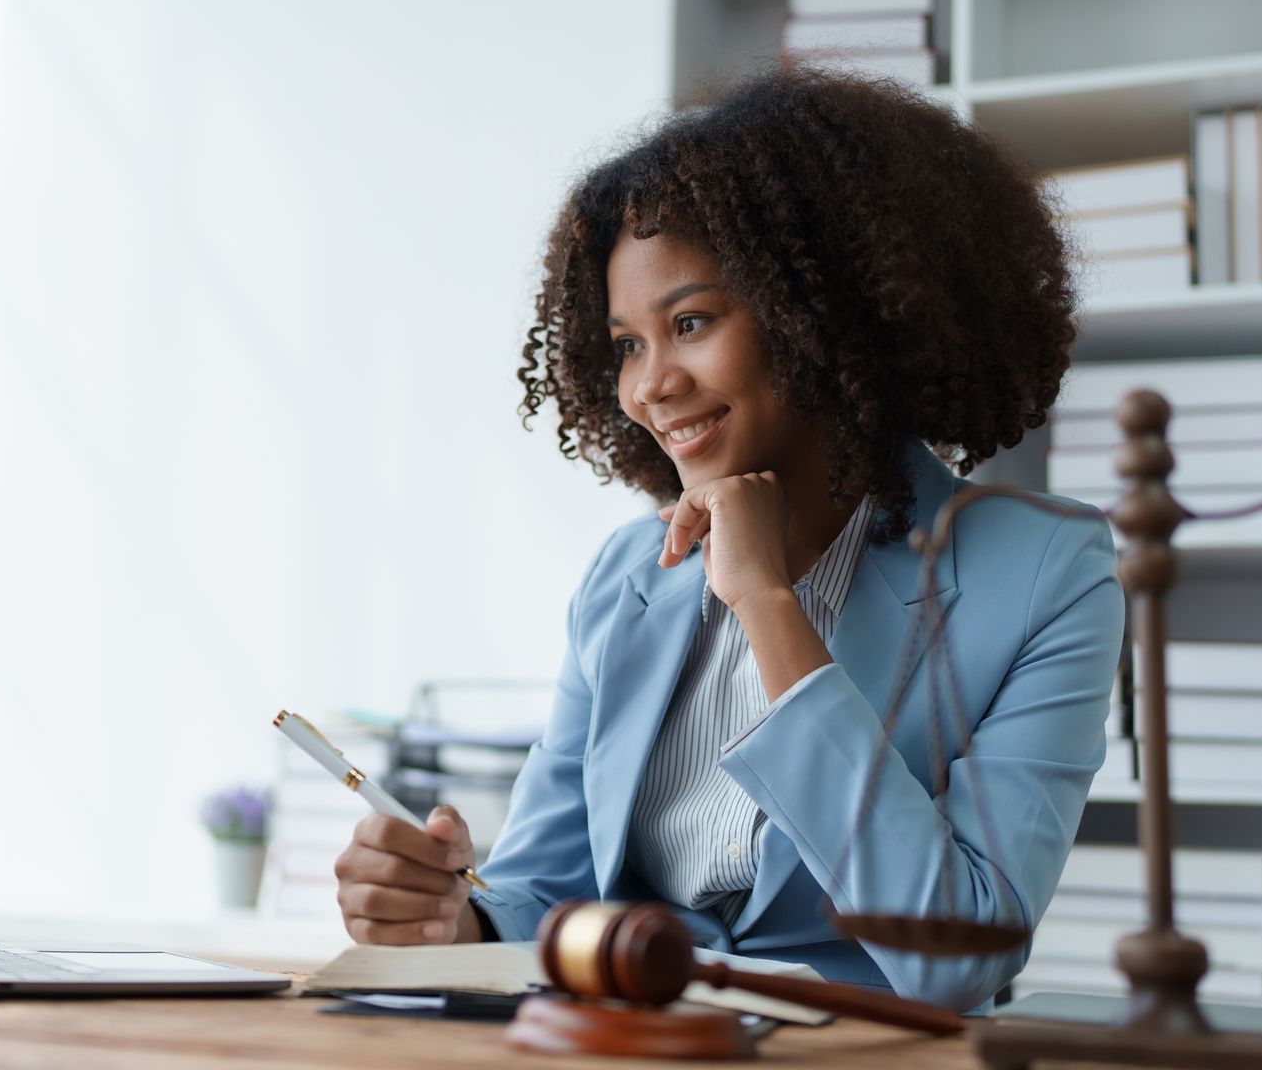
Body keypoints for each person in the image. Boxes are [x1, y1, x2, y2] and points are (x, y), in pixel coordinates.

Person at [331, 66, 1124, 1013]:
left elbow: (957, 956)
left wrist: (765, 604)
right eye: (627, 343)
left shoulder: (1043, 573)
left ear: (825, 313)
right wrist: (445, 917)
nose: (647, 387)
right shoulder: (631, 577)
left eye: (692, 323)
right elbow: (544, 892)